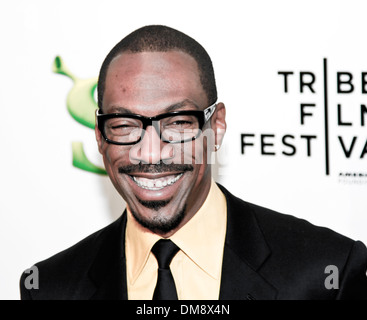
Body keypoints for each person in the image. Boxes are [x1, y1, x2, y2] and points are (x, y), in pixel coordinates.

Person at [20, 25, 367, 300]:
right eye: (124, 125)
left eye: (177, 123)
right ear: (99, 136)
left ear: (215, 128)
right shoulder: (52, 287)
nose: (150, 154)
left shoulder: (326, 273)